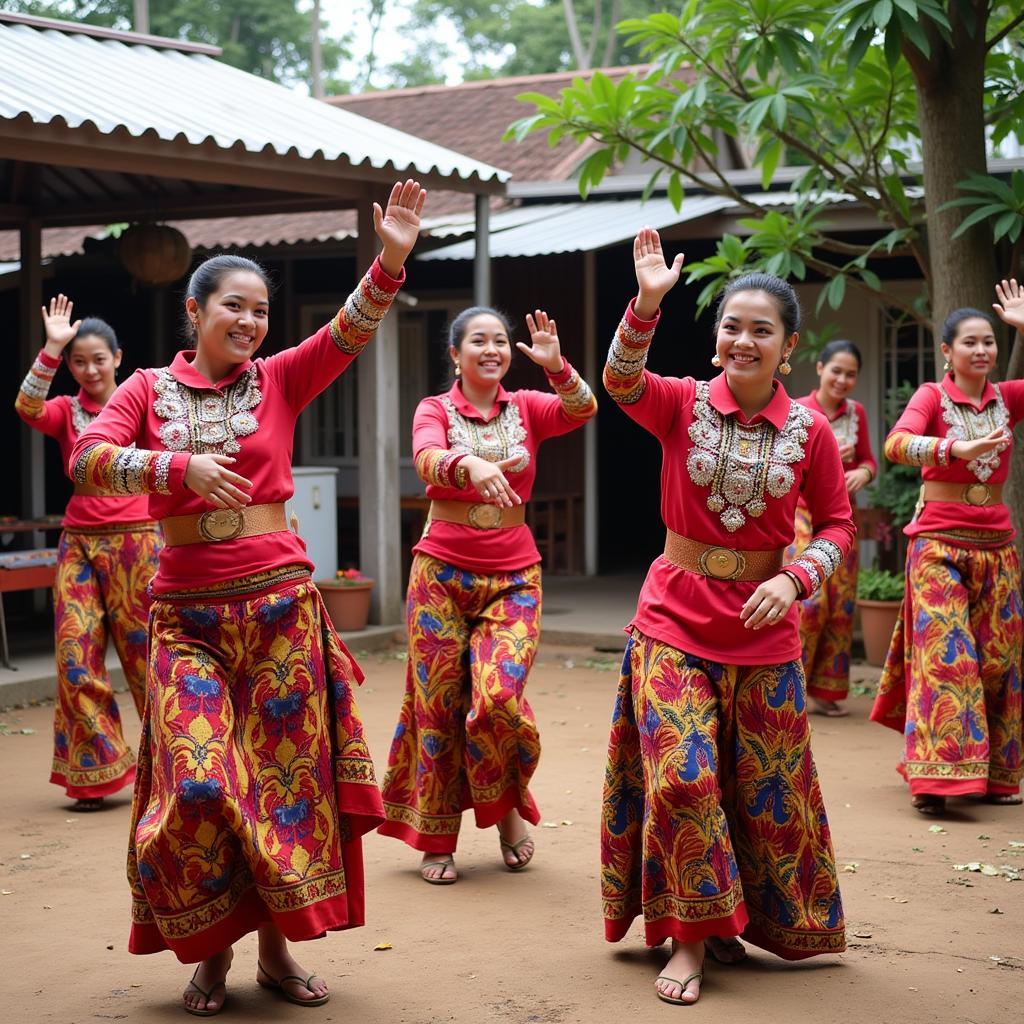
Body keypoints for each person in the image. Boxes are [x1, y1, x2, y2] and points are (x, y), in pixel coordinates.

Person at [69, 180, 426, 1016]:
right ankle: (211, 949)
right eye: (236, 306)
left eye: (262, 311)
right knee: (200, 783)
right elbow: (87, 458)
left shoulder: (281, 378)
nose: (253, 322)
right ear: (195, 310)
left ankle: (273, 954)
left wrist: (392, 260)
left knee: (284, 788)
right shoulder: (144, 391)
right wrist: (173, 468)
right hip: (185, 620)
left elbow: (350, 331)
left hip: (279, 613)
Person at [601, 229, 855, 1006]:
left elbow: (840, 525)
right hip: (672, 621)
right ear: (717, 341)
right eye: (731, 327)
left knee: (761, 790)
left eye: (761, 329)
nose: (742, 340)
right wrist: (646, 305)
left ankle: (738, 919)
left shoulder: (812, 431)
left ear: (789, 347)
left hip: (764, 633)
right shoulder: (679, 400)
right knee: (684, 777)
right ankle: (690, 937)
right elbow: (618, 380)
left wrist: (799, 577)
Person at [378, 305, 597, 884]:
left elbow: (583, 409)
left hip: (515, 575)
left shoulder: (526, 407)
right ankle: (437, 836)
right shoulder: (435, 408)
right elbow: (425, 454)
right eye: (479, 341)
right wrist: (468, 463)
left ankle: (504, 812)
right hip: (440, 575)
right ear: (455, 354)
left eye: (501, 341)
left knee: (497, 699)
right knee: (439, 706)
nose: (493, 349)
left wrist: (557, 368)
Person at [870, 279, 1024, 816]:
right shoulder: (931, 397)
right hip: (937, 544)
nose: (982, 350)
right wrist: (955, 446)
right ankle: (936, 780)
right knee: (948, 658)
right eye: (971, 342)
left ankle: (996, 773)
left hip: (998, 547)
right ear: (947, 352)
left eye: (989, 341)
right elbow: (895, 443)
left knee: (999, 659)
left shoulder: (1007, 397)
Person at [16, 298, 161, 810]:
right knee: (74, 656)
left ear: (118, 357)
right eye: (80, 361)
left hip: (140, 540)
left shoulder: (142, 405)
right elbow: (28, 406)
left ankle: (173, 769)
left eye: (99, 359)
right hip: (78, 541)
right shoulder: (67, 411)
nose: (90, 369)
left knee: (148, 662)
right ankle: (95, 774)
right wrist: (51, 349)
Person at [788, 340, 876, 716]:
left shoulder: (856, 413)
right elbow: (785, 468)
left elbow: (870, 460)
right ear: (820, 368)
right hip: (801, 514)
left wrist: (861, 472)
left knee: (840, 605)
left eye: (851, 374)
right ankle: (792, 687)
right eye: (836, 370)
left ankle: (826, 691)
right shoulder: (797, 411)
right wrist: (821, 457)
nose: (843, 379)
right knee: (811, 602)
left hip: (842, 517)